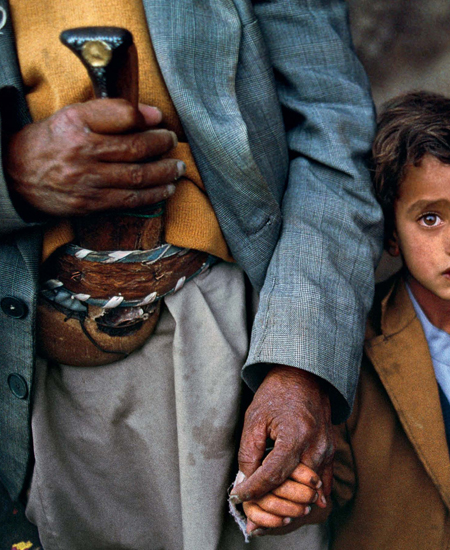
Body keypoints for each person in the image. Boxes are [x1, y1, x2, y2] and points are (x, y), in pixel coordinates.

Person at [0, 1, 382, 548]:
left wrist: (300, 364)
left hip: (237, 339)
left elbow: (331, 131)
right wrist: (11, 176)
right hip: (21, 343)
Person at [240, 92, 450, 549]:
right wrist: (289, 500)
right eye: (430, 218)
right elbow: (325, 486)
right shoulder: (353, 345)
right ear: (390, 233)